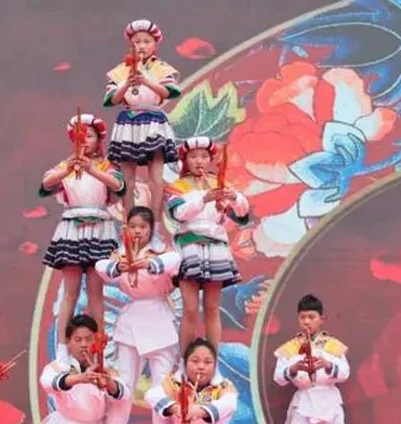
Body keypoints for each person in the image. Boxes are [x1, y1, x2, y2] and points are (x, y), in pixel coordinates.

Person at [40, 113, 126, 362]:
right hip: (72, 229)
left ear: (98, 140)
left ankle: (100, 350)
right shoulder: (65, 166)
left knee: (96, 293)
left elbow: (118, 185)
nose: (84, 141)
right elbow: (45, 184)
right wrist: (69, 168)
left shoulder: (106, 166)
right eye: (79, 137)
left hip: (99, 228)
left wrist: (92, 170)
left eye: (89, 136)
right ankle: (62, 348)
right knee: (71, 292)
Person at [95, 205, 181, 424]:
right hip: (131, 321)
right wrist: (119, 267)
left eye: (142, 226)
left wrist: (148, 263)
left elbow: (175, 261)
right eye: (133, 226)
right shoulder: (120, 254)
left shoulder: (161, 251)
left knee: (162, 384)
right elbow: (102, 268)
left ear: (151, 229)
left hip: (159, 319)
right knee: (123, 382)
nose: (137, 231)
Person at [165, 136, 249, 351]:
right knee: (190, 310)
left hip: (215, 247)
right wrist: (204, 199)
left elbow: (242, 215)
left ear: (210, 159)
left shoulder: (220, 184)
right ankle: (186, 359)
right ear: (185, 160)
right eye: (193, 156)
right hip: (189, 247)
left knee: (212, 309)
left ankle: (213, 360)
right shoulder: (177, 186)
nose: (199, 161)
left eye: (203, 156)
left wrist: (235, 197)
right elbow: (178, 214)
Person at [103, 18, 181, 251]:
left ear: (155, 44)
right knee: (128, 180)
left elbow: (169, 92)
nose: (142, 45)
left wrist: (146, 80)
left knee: (156, 179)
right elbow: (111, 100)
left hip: (153, 120)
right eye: (137, 41)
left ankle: (155, 231)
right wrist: (127, 84)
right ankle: (128, 232)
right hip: (128, 121)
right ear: (131, 45)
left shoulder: (161, 68)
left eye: (146, 41)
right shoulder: (121, 70)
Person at [33, 314, 131, 424]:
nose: (84, 345)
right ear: (68, 342)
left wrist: (109, 384)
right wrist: (81, 378)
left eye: (88, 339)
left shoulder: (105, 369)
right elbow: (47, 382)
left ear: (96, 340)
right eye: (78, 340)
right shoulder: (60, 366)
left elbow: (125, 395)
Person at [273, 294, 350, 424]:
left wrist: (328, 365)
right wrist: (294, 368)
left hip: (330, 404)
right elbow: (278, 378)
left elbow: (345, 373)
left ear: (321, 319)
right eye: (302, 317)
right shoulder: (291, 347)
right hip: (304, 404)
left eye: (311, 317)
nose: (306, 321)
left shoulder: (333, 345)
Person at [145, 338, 239, 424]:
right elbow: (151, 395)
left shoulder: (223, 385)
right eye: (195, 361)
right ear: (185, 364)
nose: (201, 367)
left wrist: (201, 411)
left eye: (207, 362)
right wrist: (176, 408)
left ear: (215, 366)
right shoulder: (175, 383)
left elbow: (230, 403)